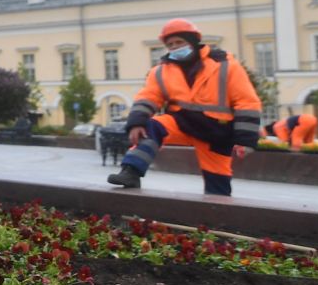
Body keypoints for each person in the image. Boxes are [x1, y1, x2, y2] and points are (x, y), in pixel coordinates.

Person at [108, 19, 262, 195]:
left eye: (180, 42)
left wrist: (245, 139)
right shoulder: (161, 71)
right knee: (151, 126)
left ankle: (217, 218)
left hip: (217, 132)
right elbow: (149, 96)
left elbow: (247, 101)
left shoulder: (226, 66)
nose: (175, 47)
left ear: (193, 42)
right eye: (170, 44)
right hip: (182, 123)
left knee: (218, 184)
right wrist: (136, 122)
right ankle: (131, 172)